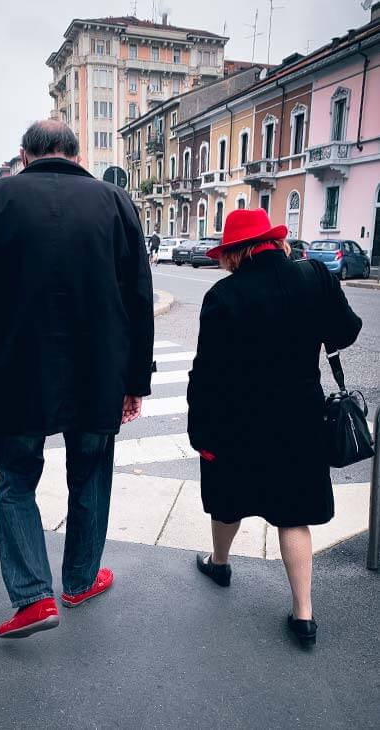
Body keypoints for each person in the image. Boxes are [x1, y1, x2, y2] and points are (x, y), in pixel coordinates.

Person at [0, 120, 154, 638]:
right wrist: (136, 381)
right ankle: (81, 580)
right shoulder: (115, 202)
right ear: (76, 154)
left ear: (25, 155)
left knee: (16, 479)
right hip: (99, 374)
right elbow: (139, 300)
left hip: (16, 375)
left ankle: (33, 598)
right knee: (91, 475)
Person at [187, 208, 362, 648]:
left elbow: (206, 373)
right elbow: (347, 330)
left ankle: (220, 564)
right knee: (294, 512)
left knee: (227, 500)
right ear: (273, 241)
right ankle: (304, 614)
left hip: (237, 420)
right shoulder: (315, 276)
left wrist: (201, 430)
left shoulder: (223, 297)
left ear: (234, 253)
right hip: (299, 417)